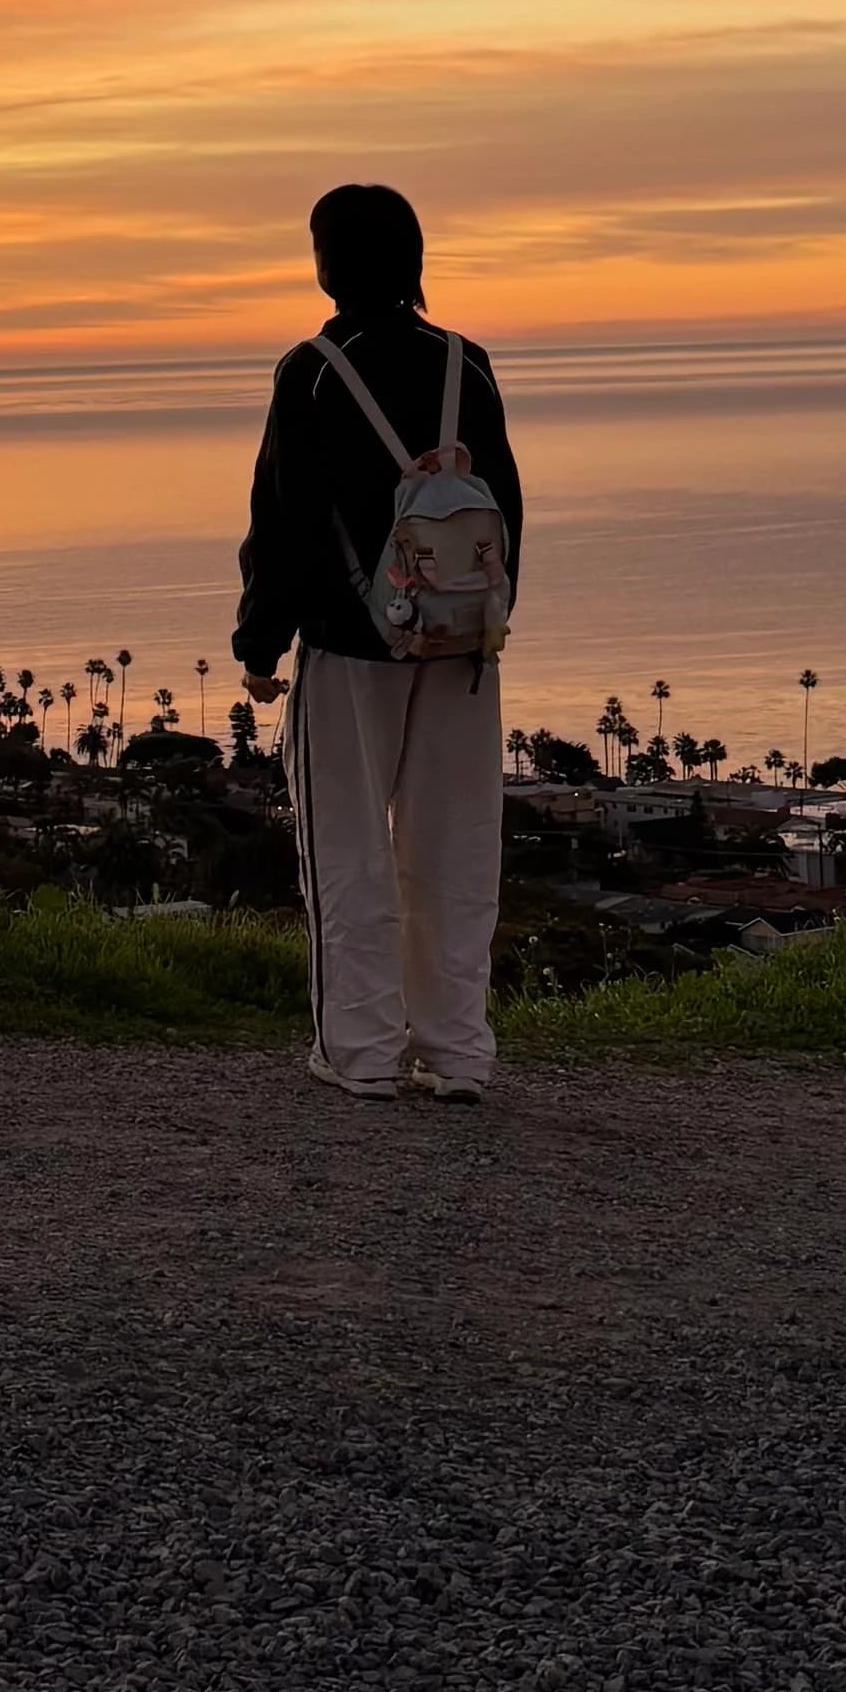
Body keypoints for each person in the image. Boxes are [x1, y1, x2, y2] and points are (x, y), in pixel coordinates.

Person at [234, 181, 524, 1101]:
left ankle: (359, 1052)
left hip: (350, 647)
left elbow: (281, 517)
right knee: (457, 849)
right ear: (414, 258)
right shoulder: (464, 364)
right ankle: (458, 1052)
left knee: (348, 848)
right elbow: (503, 509)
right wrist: (484, 621)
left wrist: (258, 639)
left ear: (327, 263)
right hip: (460, 648)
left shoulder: (314, 368)